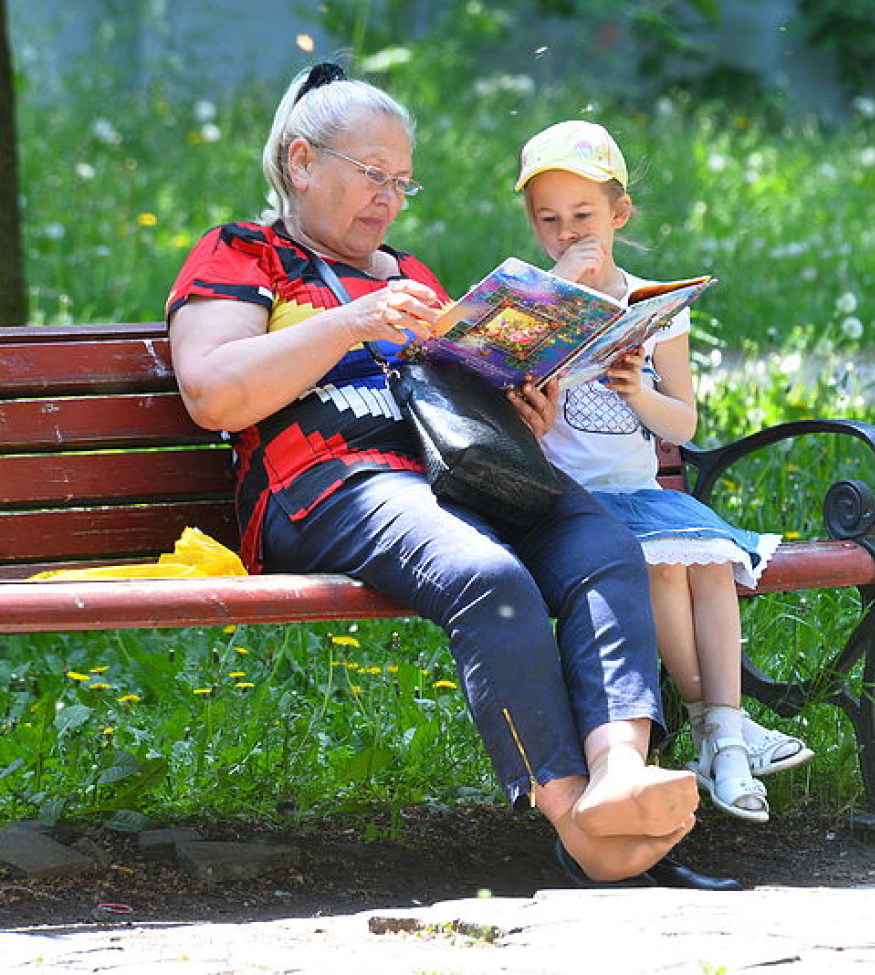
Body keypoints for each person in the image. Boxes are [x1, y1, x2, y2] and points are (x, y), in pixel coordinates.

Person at [164, 63, 726, 888]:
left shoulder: (411, 272)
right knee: (488, 575)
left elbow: (458, 389)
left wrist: (519, 407)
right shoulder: (243, 253)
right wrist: (352, 320)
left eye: (401, 182)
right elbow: (213, 392)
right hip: (332, 483)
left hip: (461, 473)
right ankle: (581, 825)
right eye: (371, 176)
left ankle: (620, 774)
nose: (389, 199)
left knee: (601, 543)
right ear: (301, 161)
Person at [514, 120, 815, 823]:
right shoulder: (531, 303)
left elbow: (684, 423)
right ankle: (725, 734)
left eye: (584, 216)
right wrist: (553, 308)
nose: (568, 234)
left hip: (644, 497)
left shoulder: (656, 306)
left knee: (705, 560)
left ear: (619, 214)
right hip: (574, 507)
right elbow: (498, 382)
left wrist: (640, 395)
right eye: (549, 220)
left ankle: (722, 727)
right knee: (660, 564)